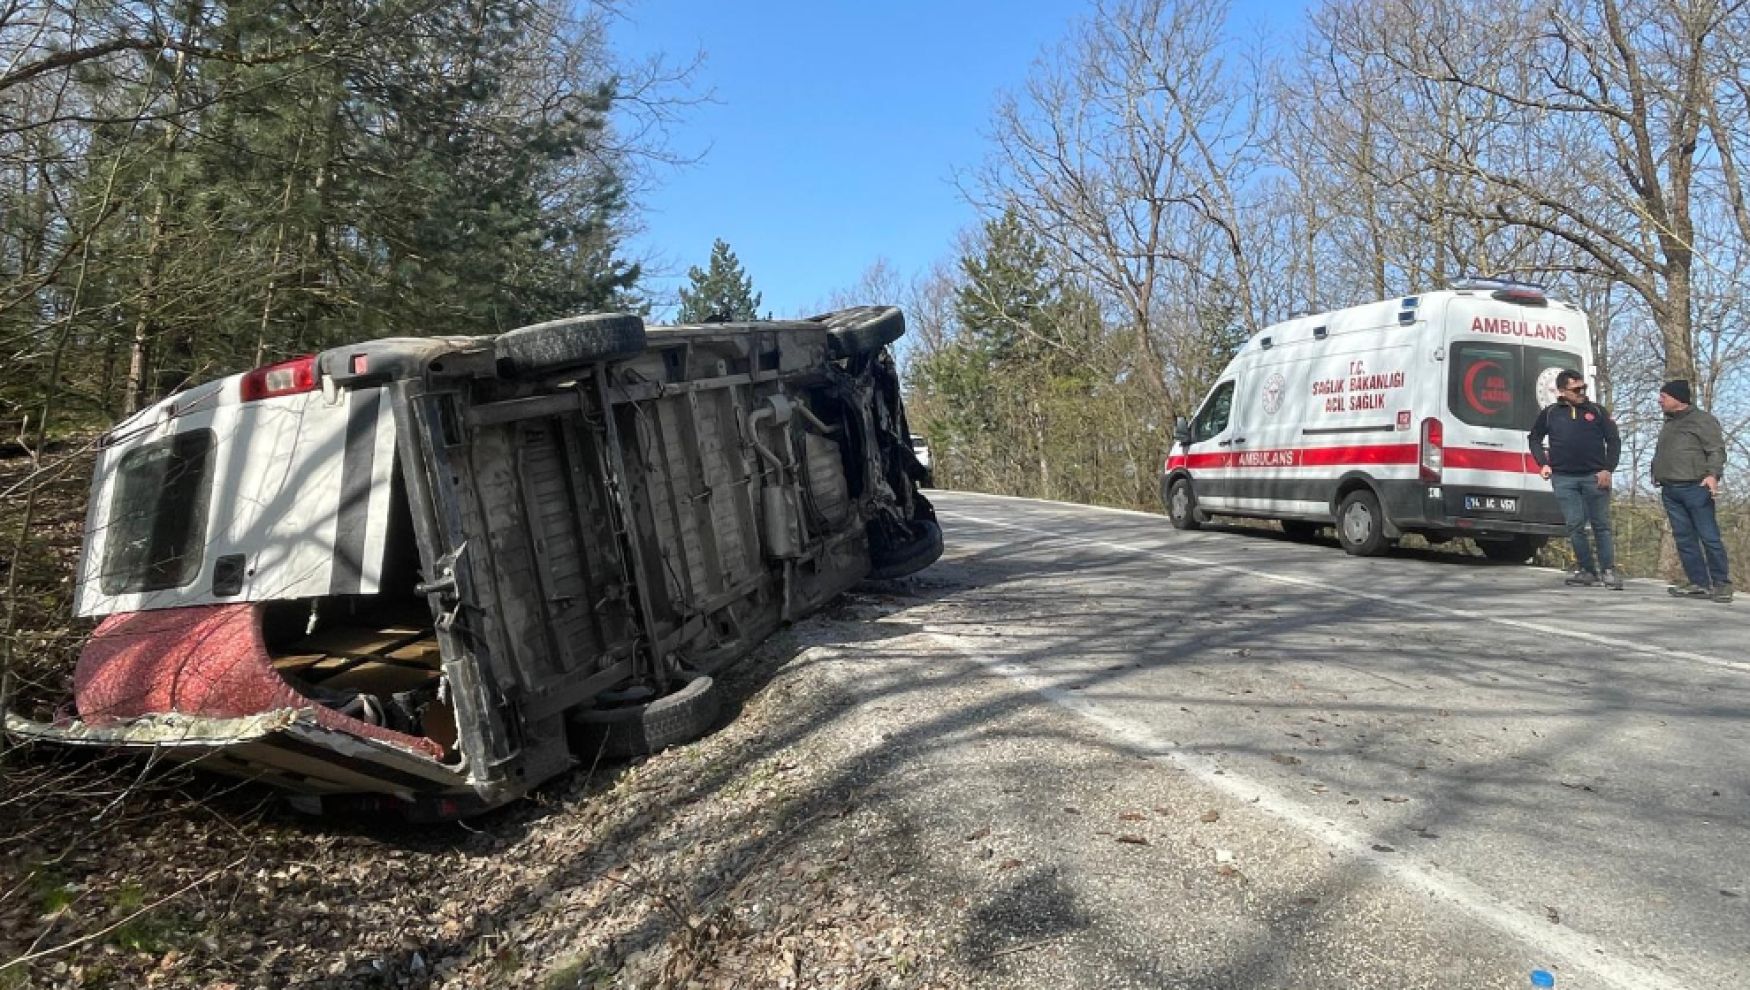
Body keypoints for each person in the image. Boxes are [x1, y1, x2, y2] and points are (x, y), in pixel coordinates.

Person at [1528, 370, 1622, 588]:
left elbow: (1614, 440)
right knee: (1574, 525)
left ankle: (1608, 570)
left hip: (1594, 477)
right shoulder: (1550, 413)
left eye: (1583, 388)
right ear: (1561, 391)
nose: (1581, 392)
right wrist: (1543, 463)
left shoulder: (1597, 411)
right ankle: (1587, 570)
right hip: (1563, 478)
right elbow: (1534, 438)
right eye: (1576, 389)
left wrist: (1608, 469)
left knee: (1601, 525)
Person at [1652, 379, 1731, 602]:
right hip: (1671, 489)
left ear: (1678, 398)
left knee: (1709, 537)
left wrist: (1713, 475)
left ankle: (1722, 583)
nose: (1659, 401)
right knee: (1684, 538)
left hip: (1696, 487)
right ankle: (1698, 583)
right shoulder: (1669, 422)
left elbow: (1716, 450)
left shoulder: (1702, 420)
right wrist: (1657, 472)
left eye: (1663, 397)